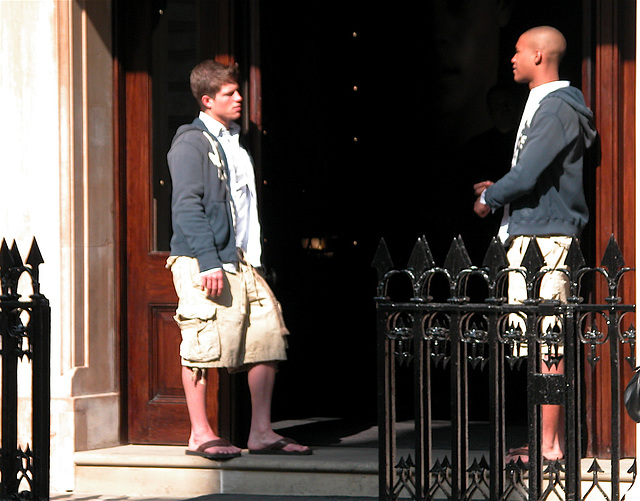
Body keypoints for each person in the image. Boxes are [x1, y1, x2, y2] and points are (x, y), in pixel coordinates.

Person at [166, 60, 311, 459]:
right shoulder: (191, 142)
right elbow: (186, 205)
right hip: (204, 260)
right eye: (230, 93)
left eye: (238, 91)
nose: (239, 99)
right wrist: (209, 261)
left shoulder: (233, 142)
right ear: (207, 99)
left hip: (245, 261)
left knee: (267, 338)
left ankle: (261, 431)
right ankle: (199, 433)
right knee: (202, 342)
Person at [473, 26, 597, 462]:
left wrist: (491, 197)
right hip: (533, 231)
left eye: (519, 51)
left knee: (549, 344)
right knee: (537, 343)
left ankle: (550, 445)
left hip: (547, 237)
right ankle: (544, 440)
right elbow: (532, 172)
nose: (512, 58)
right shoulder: (544, 106)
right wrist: (506, 187)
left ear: (540, 56)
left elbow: (526, 175)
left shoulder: (556, 108)